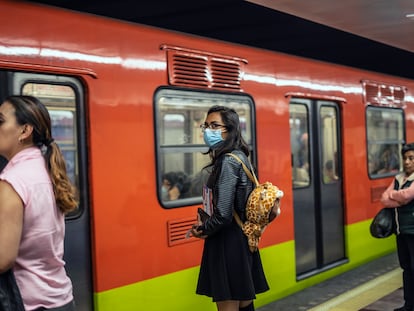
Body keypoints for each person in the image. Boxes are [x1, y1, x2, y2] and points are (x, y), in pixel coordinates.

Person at [0, 95, 78, 311]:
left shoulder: (12, 181)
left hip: (29, 302)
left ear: (24, 131)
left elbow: (3, 258)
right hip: (61, 298)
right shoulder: (45, 170)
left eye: (0, 121)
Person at [190, 105, 269, 311]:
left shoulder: (227, 161)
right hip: (241, 240)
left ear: (230, 129)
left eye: (215, 125)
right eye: (206, 125)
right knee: (244, 305)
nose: (208, 130)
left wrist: (202, 230)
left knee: (229, 306)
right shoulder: (240, 156)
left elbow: (224, 214)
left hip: (227, 243)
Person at [380, 143, 414, 311]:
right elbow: (384, 199)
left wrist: (394, 195)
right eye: (405, 158)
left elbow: (407, 195)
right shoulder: (399, 179)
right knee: (406, 269)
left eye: (411, 158)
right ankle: (409, 305)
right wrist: (396, 197)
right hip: (401, 231)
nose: (407, 162)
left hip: (413, 231)